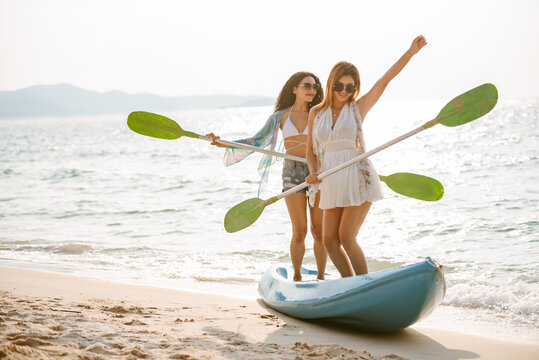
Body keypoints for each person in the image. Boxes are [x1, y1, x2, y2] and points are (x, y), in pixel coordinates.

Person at [305, 36, 427, 277]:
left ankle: (365, 285)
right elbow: (310, 149)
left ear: (355, 88)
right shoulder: (316, 113)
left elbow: (385, 80)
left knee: (347, 238)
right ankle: (351, 285)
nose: (344, 91)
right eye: (339, 86)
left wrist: (410, 53)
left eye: (350, 87)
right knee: (329, 241)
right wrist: (312, 171)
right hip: (330, 177)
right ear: (331, 84)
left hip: (357, 174)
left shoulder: (357, 108)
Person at [207, 72, 327, 281]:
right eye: (307, 85)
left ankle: (321, 278)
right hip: (292, 173)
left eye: (315, 87)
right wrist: (225, 142)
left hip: (317, 172)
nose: (312, 90)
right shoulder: (280, 117)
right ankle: (297, 278)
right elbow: (257, 140)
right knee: (300, 231)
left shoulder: (319, 113)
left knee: (319, 231)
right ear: (294, 89)